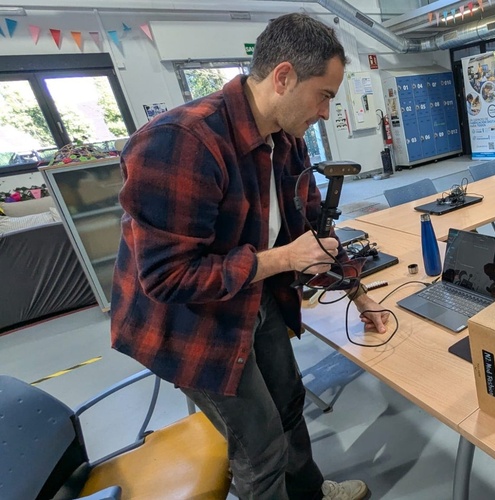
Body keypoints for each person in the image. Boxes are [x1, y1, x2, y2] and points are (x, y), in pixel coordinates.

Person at [110, 13, 388, 500]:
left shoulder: (287, 140)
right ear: (283, 77)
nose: (327, 112)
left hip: (249, 296)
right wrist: (282, 260)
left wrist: (358, 293)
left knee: (288, 404)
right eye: (324, 95)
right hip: (188, 324)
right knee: (258, 448)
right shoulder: (181, 142)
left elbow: (311, 233)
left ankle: (311, 493)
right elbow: (168, 278)